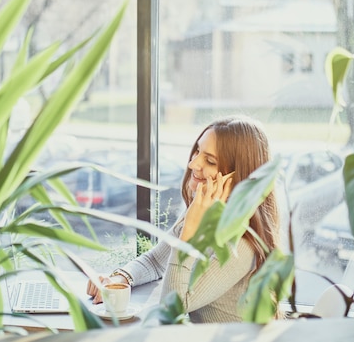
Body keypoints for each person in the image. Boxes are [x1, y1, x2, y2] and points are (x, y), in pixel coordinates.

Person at [86, 115, 281, 323]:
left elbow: (171, 307)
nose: (192, 163)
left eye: (210, 160)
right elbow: (155, 261)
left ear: (235, 178)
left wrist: (189, 232)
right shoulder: (204, 212)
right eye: (197, 151)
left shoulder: (243, 244)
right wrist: (121, 277)